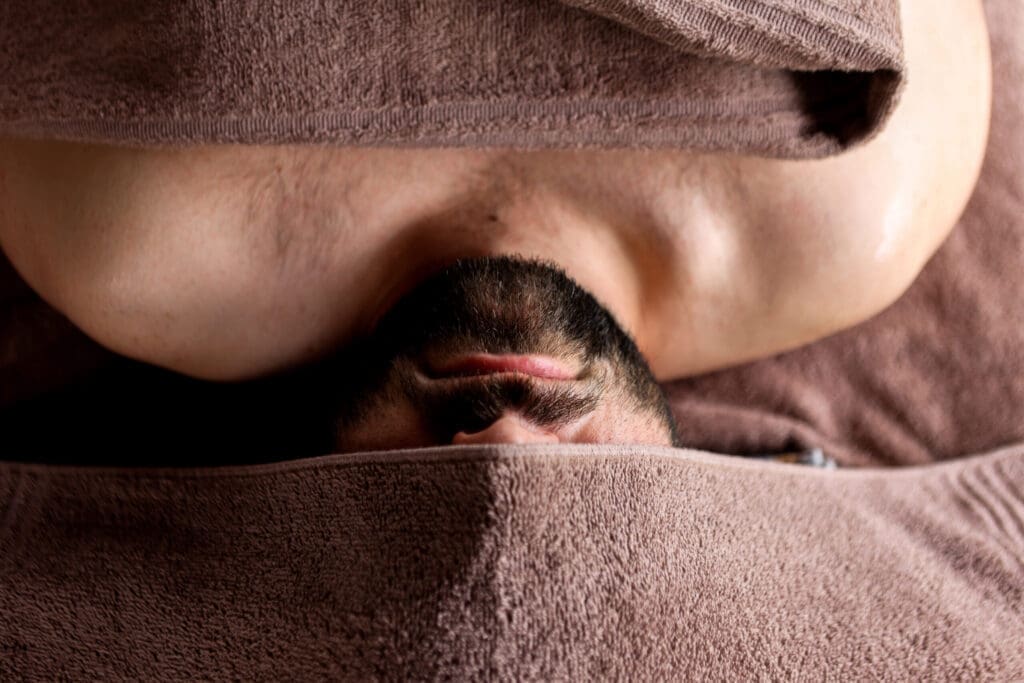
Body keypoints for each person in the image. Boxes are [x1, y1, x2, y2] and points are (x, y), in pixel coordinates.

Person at [0, 0, 991, 451]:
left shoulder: (137, 237)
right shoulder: (851, 202)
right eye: (589, 519)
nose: (506, 439)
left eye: (412, 523)